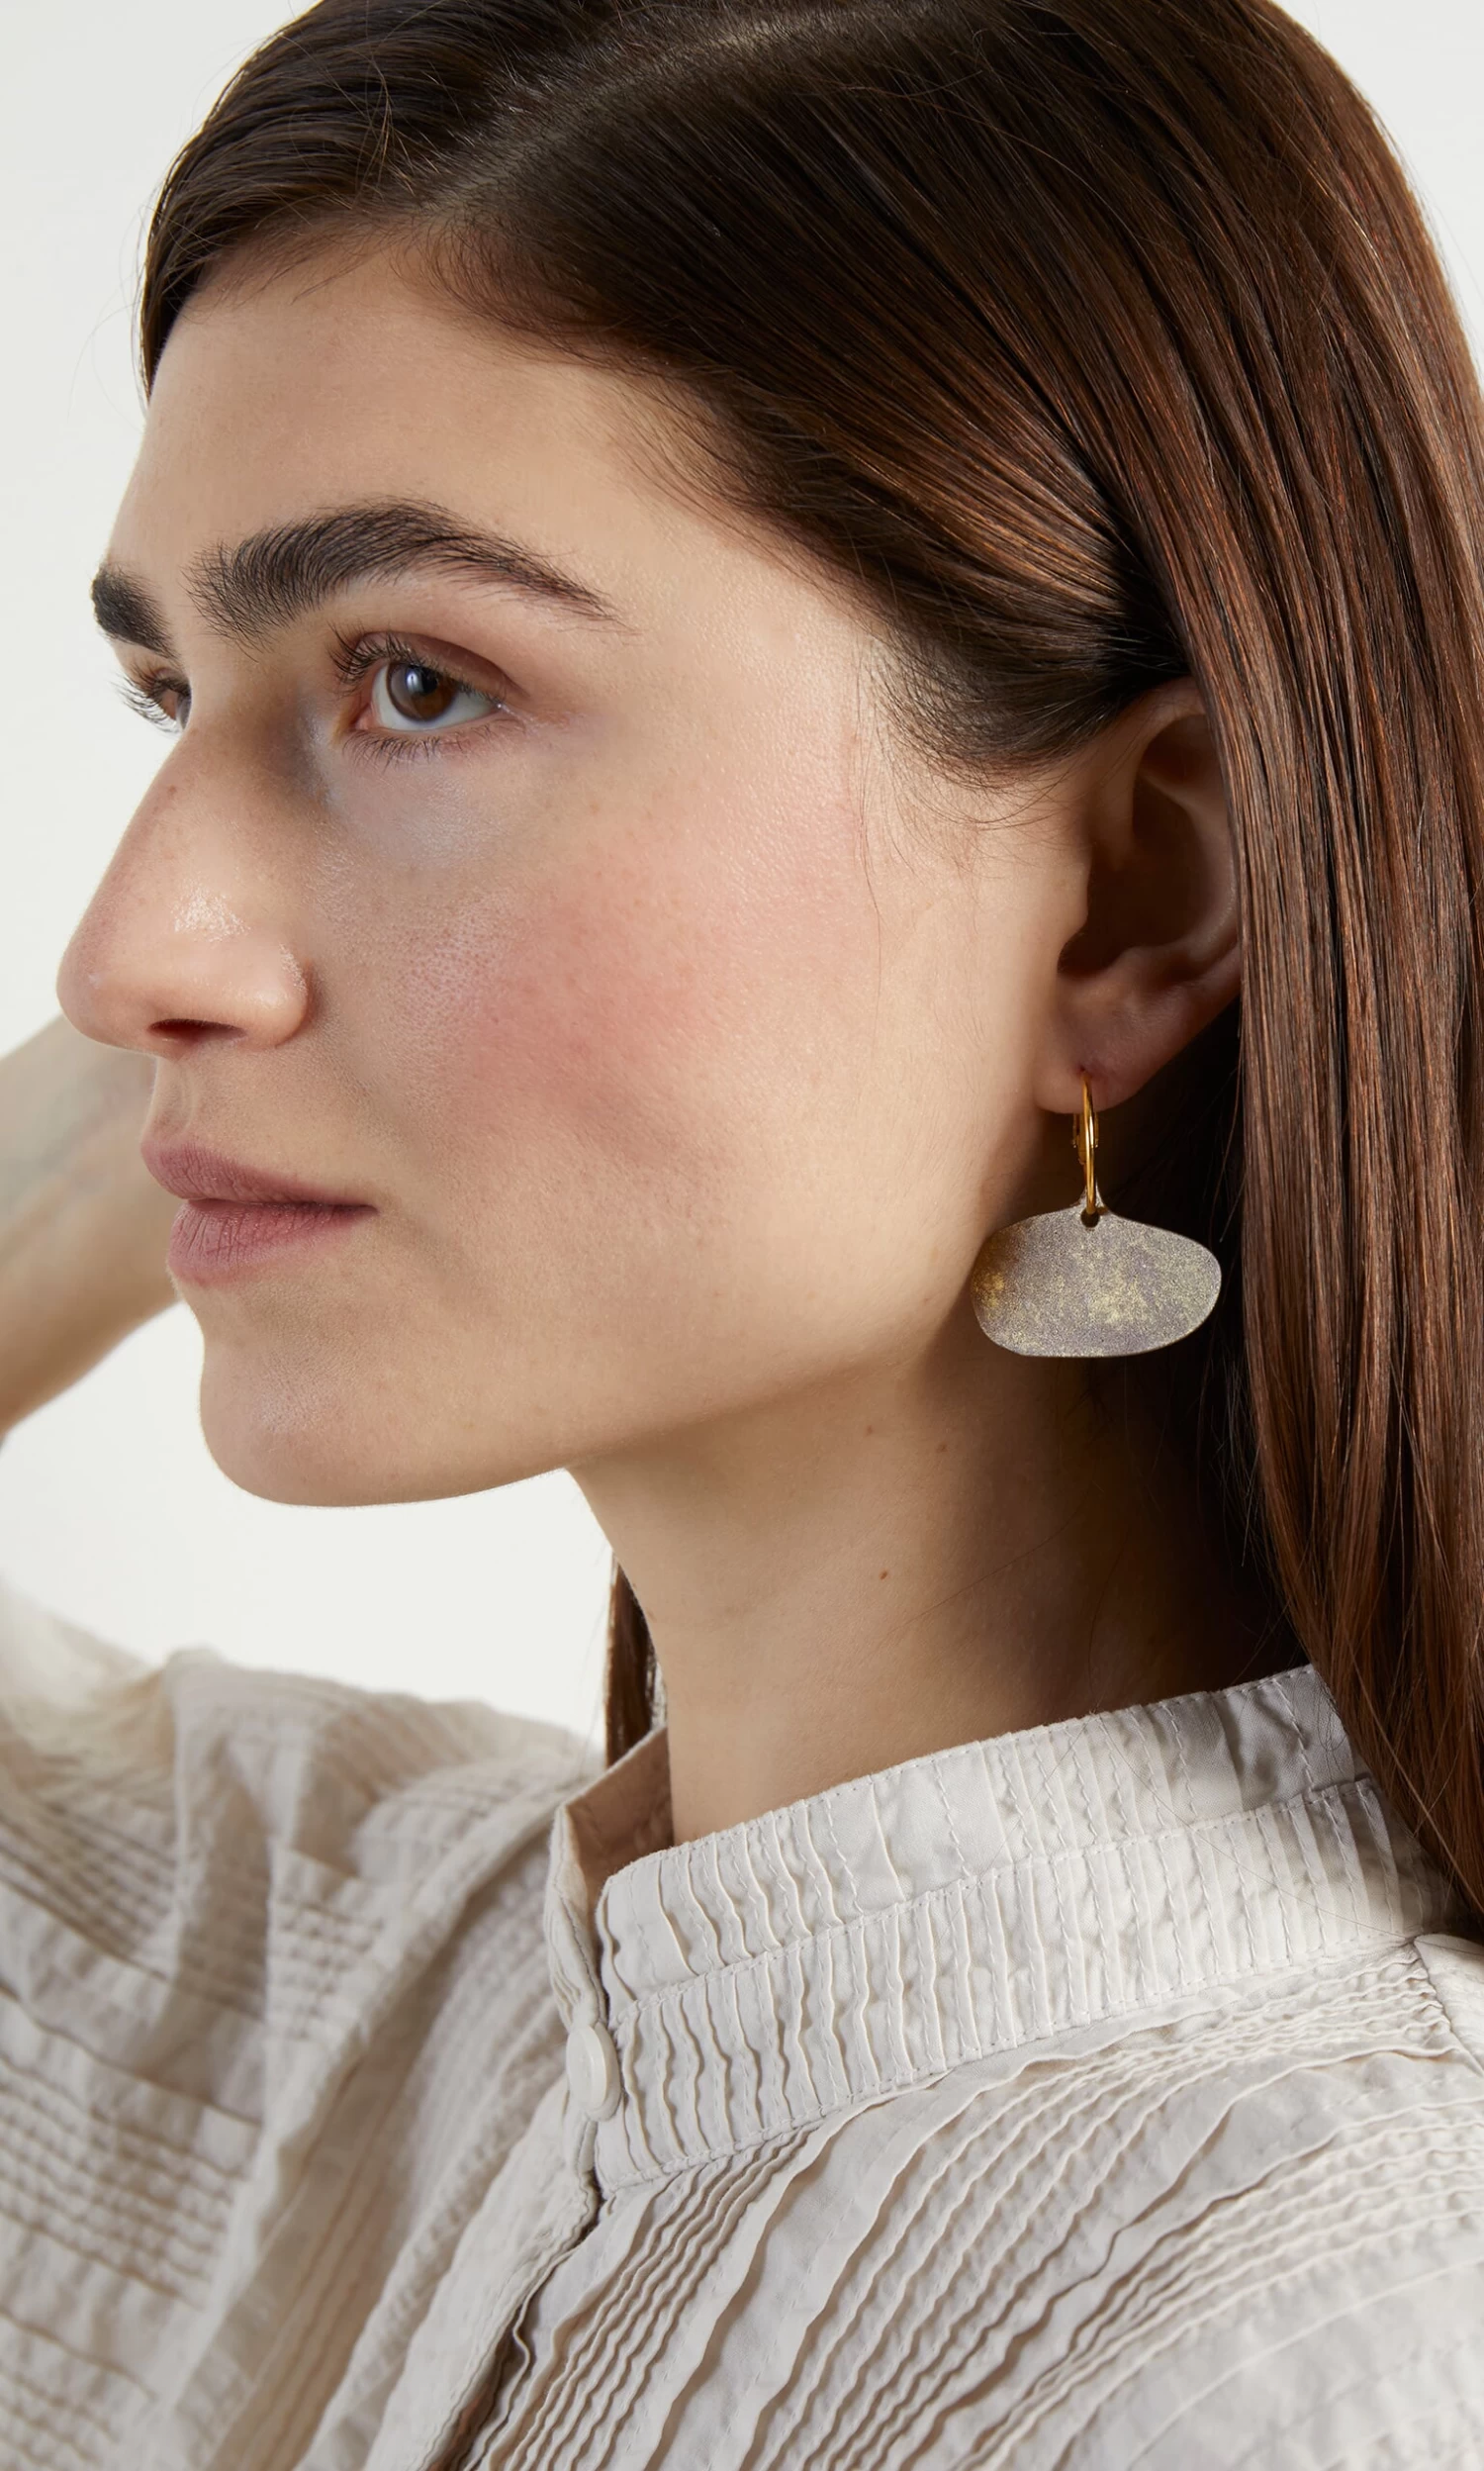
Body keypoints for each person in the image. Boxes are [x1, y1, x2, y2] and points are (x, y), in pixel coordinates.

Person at [3, 0, 1484, 2460]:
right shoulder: (282, 1998)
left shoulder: (1342, 2351)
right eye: (175, 696)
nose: (119, 955)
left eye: (418, 684)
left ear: (1138, 893)